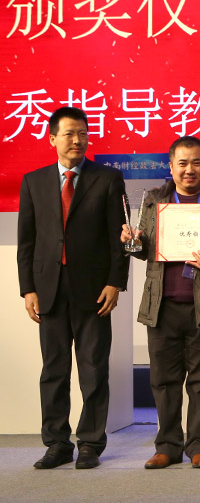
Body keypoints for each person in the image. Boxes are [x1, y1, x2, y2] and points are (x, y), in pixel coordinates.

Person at [121, 136, 200, 469]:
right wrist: (132, 242)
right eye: (182, 163)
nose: (189, 169)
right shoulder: (155, 201)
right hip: (161, 307)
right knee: (163, 381)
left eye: (196, 163)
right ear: (171, 166)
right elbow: (145, 250)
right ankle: (167, 446)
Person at [17, 106, 129, 470]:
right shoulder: (33, 181)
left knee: (94, 369)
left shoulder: (107, 179)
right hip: (48, 289)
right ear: (53, 139)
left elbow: (118, 237)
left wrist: (115, 282)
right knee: (54, 370)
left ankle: (91, 443)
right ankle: (57, 444)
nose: (77, 140)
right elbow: (27, 241)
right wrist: (28, 289)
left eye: (82, 133)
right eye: (69, 134)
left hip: (94, 290)